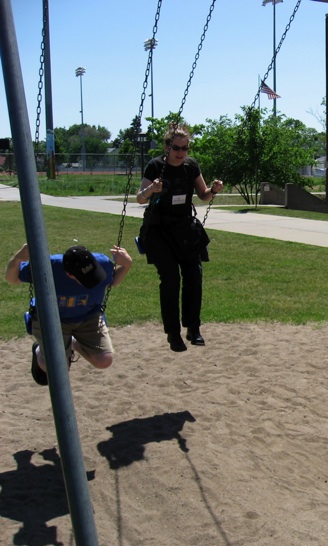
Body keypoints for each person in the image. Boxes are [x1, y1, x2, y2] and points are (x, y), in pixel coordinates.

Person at [137, 123, 223, 352]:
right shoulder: (156, 166)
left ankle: (193, 328)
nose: (181, 153)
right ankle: (173, 333)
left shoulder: (191, 166)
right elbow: (139, 199)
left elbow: (203, 195)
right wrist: (151, 190)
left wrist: (214, 190)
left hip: (184, 228)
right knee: (170, 278)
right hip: (159, 229)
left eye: (185, 148)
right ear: (167, 146)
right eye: (176, 148)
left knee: (194, 274)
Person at [5, 243, 133, 386]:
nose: (92, 281)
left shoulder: (102, 262)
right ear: (69, 274)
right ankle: (39, 349)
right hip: (52, 319)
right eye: (86, 279)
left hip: (88, 317)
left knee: (104, 360)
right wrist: (17, 259)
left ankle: (70, 342)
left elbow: (112, 281)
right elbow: (12, 278)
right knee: (57, 370)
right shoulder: (48, 267)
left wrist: (127, 265)